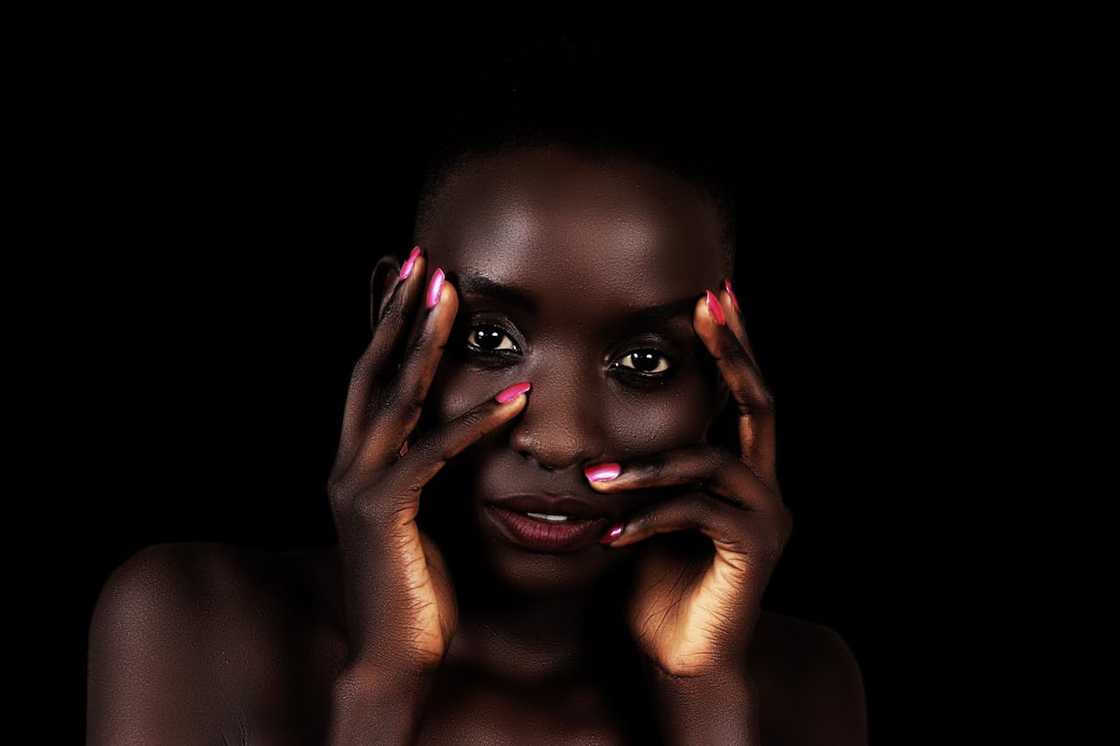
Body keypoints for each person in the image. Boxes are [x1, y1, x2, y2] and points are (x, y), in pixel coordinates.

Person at [86, 46, 868, 746]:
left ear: (726, 378)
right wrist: (381, 685)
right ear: (392, 322)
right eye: (490, 341)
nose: (559, 439)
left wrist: (703, 699)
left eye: (643, 359)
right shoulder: (191, 623)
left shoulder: (801, 683)